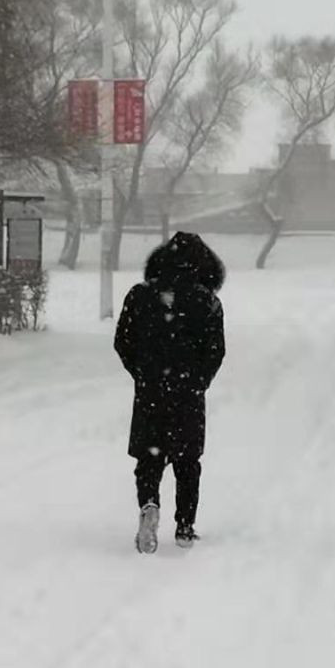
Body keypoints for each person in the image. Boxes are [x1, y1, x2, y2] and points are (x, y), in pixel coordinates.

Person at [114, 232, 226, 553]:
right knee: (187, 461)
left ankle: (149, 503)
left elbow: (123, 341)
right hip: (188, 393)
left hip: (150, 390)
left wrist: (143, 373)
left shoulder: (139, 296)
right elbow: (216, 351)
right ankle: (185, 527)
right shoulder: (207, 302)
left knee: (150, 457)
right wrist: (197, 381)